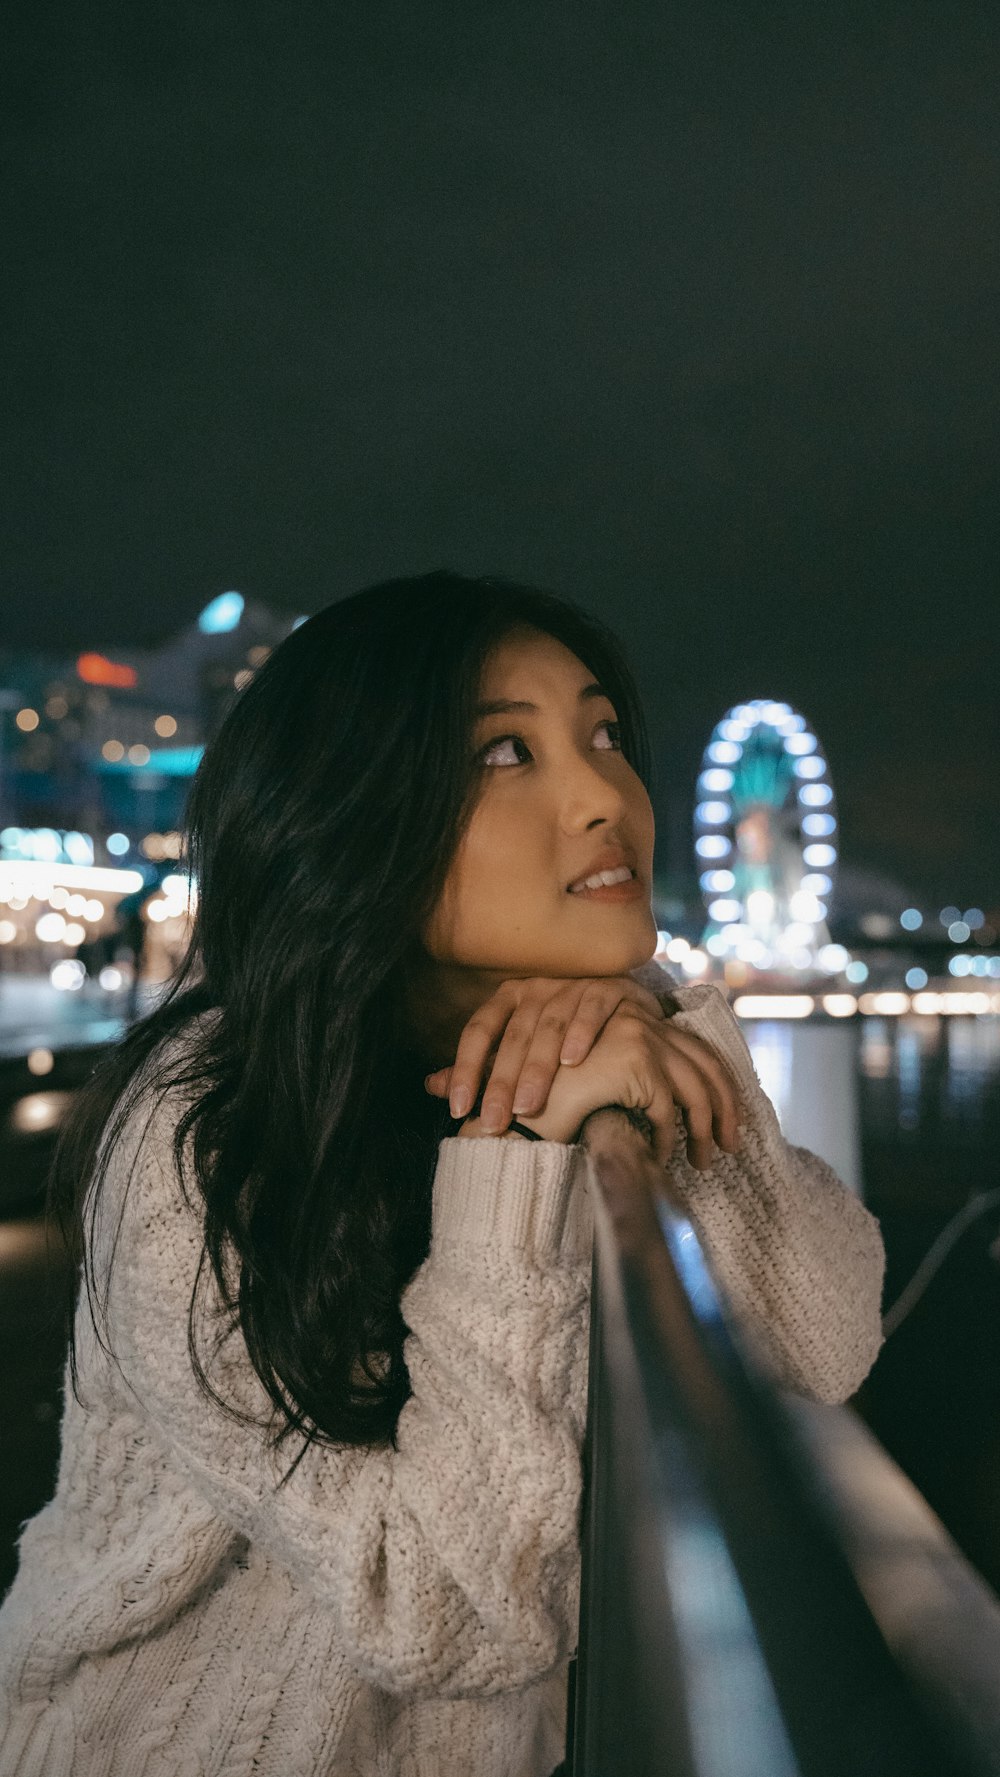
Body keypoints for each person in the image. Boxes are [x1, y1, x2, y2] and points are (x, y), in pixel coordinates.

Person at [0, 572, 885, 1777]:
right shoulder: (201, 1129)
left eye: (604, 733)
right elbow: (445, 1611)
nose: (601, 797)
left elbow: (828, 1336)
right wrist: (510, 1157)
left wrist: (672, 1044)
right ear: (354, 818)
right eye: (505, 754)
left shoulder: (604, 1045)